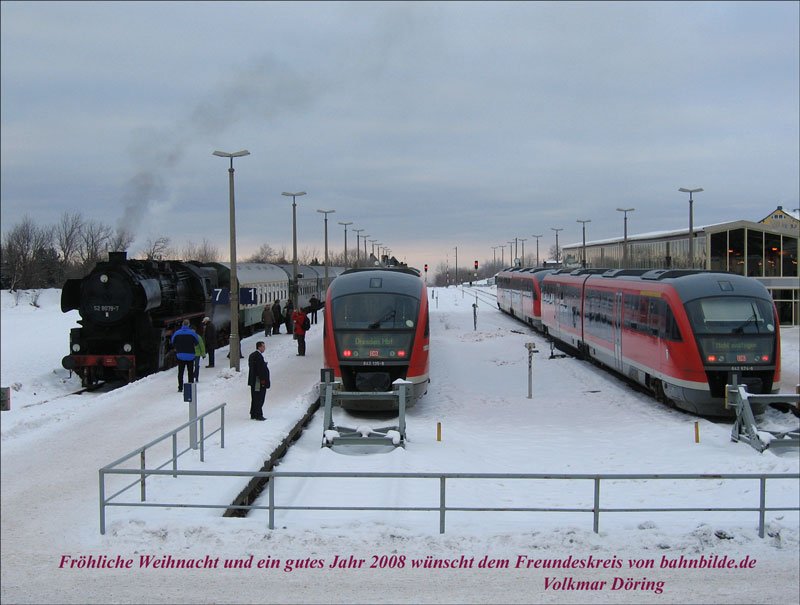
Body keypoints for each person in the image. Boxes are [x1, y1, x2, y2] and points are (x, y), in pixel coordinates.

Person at [170, 319, 200, 392]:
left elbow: (172, 342)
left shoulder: (177, 333)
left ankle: (180, 388)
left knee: (180, 372)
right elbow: (197, 343)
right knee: (190, 372)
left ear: (182, 325)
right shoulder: (192, 333)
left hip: (180, 355)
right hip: (190, 355)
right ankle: (190, 387)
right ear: (188, 325)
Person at [247, 341, 270, 421]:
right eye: (263, 346)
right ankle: (258, 414)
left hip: (253, 380)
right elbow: (260, 370)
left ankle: (253, 413)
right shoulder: (259, 357)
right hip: (258, 381)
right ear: (259, 347)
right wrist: (263, 381)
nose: (264, 348)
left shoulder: (252, 355)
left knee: (254, 397)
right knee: (259, 397)